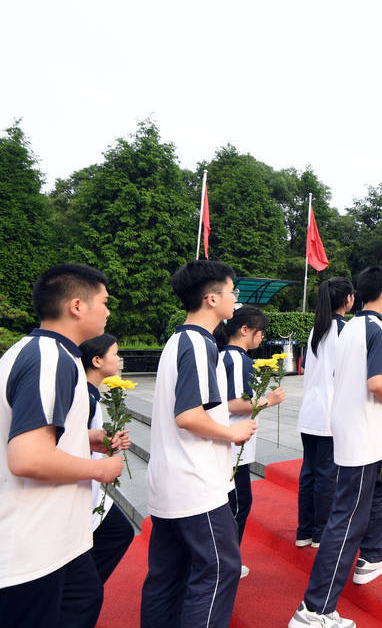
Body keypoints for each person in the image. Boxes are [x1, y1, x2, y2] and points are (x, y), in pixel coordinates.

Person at [1, 264, 123, 628]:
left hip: (55, 540)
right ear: (76, 306)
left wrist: (85, 438)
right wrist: (99, 469)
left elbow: (28, 433)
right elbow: (27, 457)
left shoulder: (48, 354)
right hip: (31, 545)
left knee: (84, 596)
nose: (108, 311)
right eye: (103, 302)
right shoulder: (49, 357)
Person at [290, 267, 382, 628]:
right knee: (346, 520)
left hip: (353, 426)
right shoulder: (377, 328)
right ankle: (315, 608)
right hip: (359, 437)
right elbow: (375, 382)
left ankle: (373, 555)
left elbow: (351, 382)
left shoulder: (351, 327)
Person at [142, 260, 257, 628]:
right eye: (232, 291)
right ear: (211, 299)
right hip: (194, 482)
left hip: (171, 479)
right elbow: (189, 416)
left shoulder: (180, 340)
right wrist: (233, 433)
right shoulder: (197, 343)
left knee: (168, 575)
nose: (235, 300)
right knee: (221, 568)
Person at [218, 306, 286, 577]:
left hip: (231, 442)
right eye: (259, 333)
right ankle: (227, 562)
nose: (261, 339)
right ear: (244, 330)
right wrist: (269, 400)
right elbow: (234, 403)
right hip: (235, 444)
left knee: (234, 502)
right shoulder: (238, 359)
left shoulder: (223, 356)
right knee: (238, 504)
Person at [296, 277, 355, 549]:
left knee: (310, 473)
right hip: (330, 413)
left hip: (310, 411)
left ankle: (304, 531)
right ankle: (321, 533)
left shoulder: (316, 329)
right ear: (348, 300)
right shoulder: (345, 329)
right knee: (326, 475)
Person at [78, 333, 135, 585]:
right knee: (117, 533)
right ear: (98, 360)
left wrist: (104, 444)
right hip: (82, 485)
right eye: (115, 353)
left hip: (89, 483)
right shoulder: (85, 397)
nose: (119, 359)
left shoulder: (90, 394)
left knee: (118, 532)